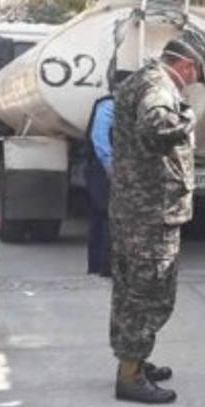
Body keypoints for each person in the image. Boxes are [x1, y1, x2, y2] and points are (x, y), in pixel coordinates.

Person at [109, 38, 204, 404]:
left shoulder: (139, 79)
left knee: (130, 291)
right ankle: (130, 376)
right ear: (187, 67)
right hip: (151, 212)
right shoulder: (157, 87)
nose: (191, 83)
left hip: (135, 209)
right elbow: (157, 125)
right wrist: (188, 117)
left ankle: (133, 362)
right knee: (149, 294)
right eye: (194, 76)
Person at [85, 70, 132, 278]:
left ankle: (97, 265)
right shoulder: (109, 105)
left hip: (108, 167)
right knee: (107, 215)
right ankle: (105, 267)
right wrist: (109, 165)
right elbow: (100, 137)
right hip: (104, 168)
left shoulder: (119, 106)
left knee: (102, 216)